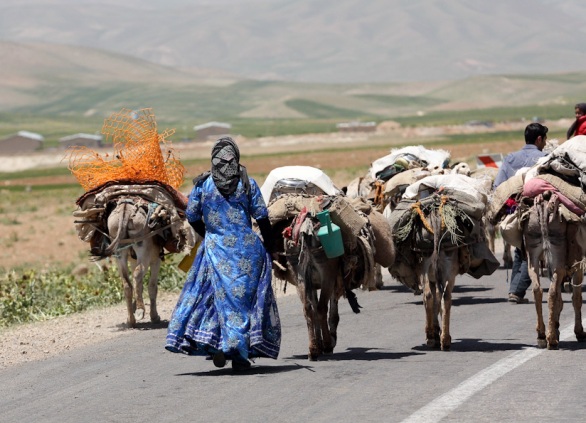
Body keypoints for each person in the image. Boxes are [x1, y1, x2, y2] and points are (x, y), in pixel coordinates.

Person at [165, 137, 281, 371]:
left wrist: (210, 234)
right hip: (248, 251)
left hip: (217, 249)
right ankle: (238, 351)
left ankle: (223, 345)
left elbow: (192, 216)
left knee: (218, 299)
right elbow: (262, 218)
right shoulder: (247, 183)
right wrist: (271, 247)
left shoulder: (202, 185)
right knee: (243, 302)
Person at [494, 123, 548, 304]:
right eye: (544, 140)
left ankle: (513, 290)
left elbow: (498, 186)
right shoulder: (546, 158)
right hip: (537, 210)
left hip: (513, 210)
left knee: (520, 247)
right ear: (539, 139)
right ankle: (517, 291)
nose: (545, 143)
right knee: (532, 250)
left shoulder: (510, 158)